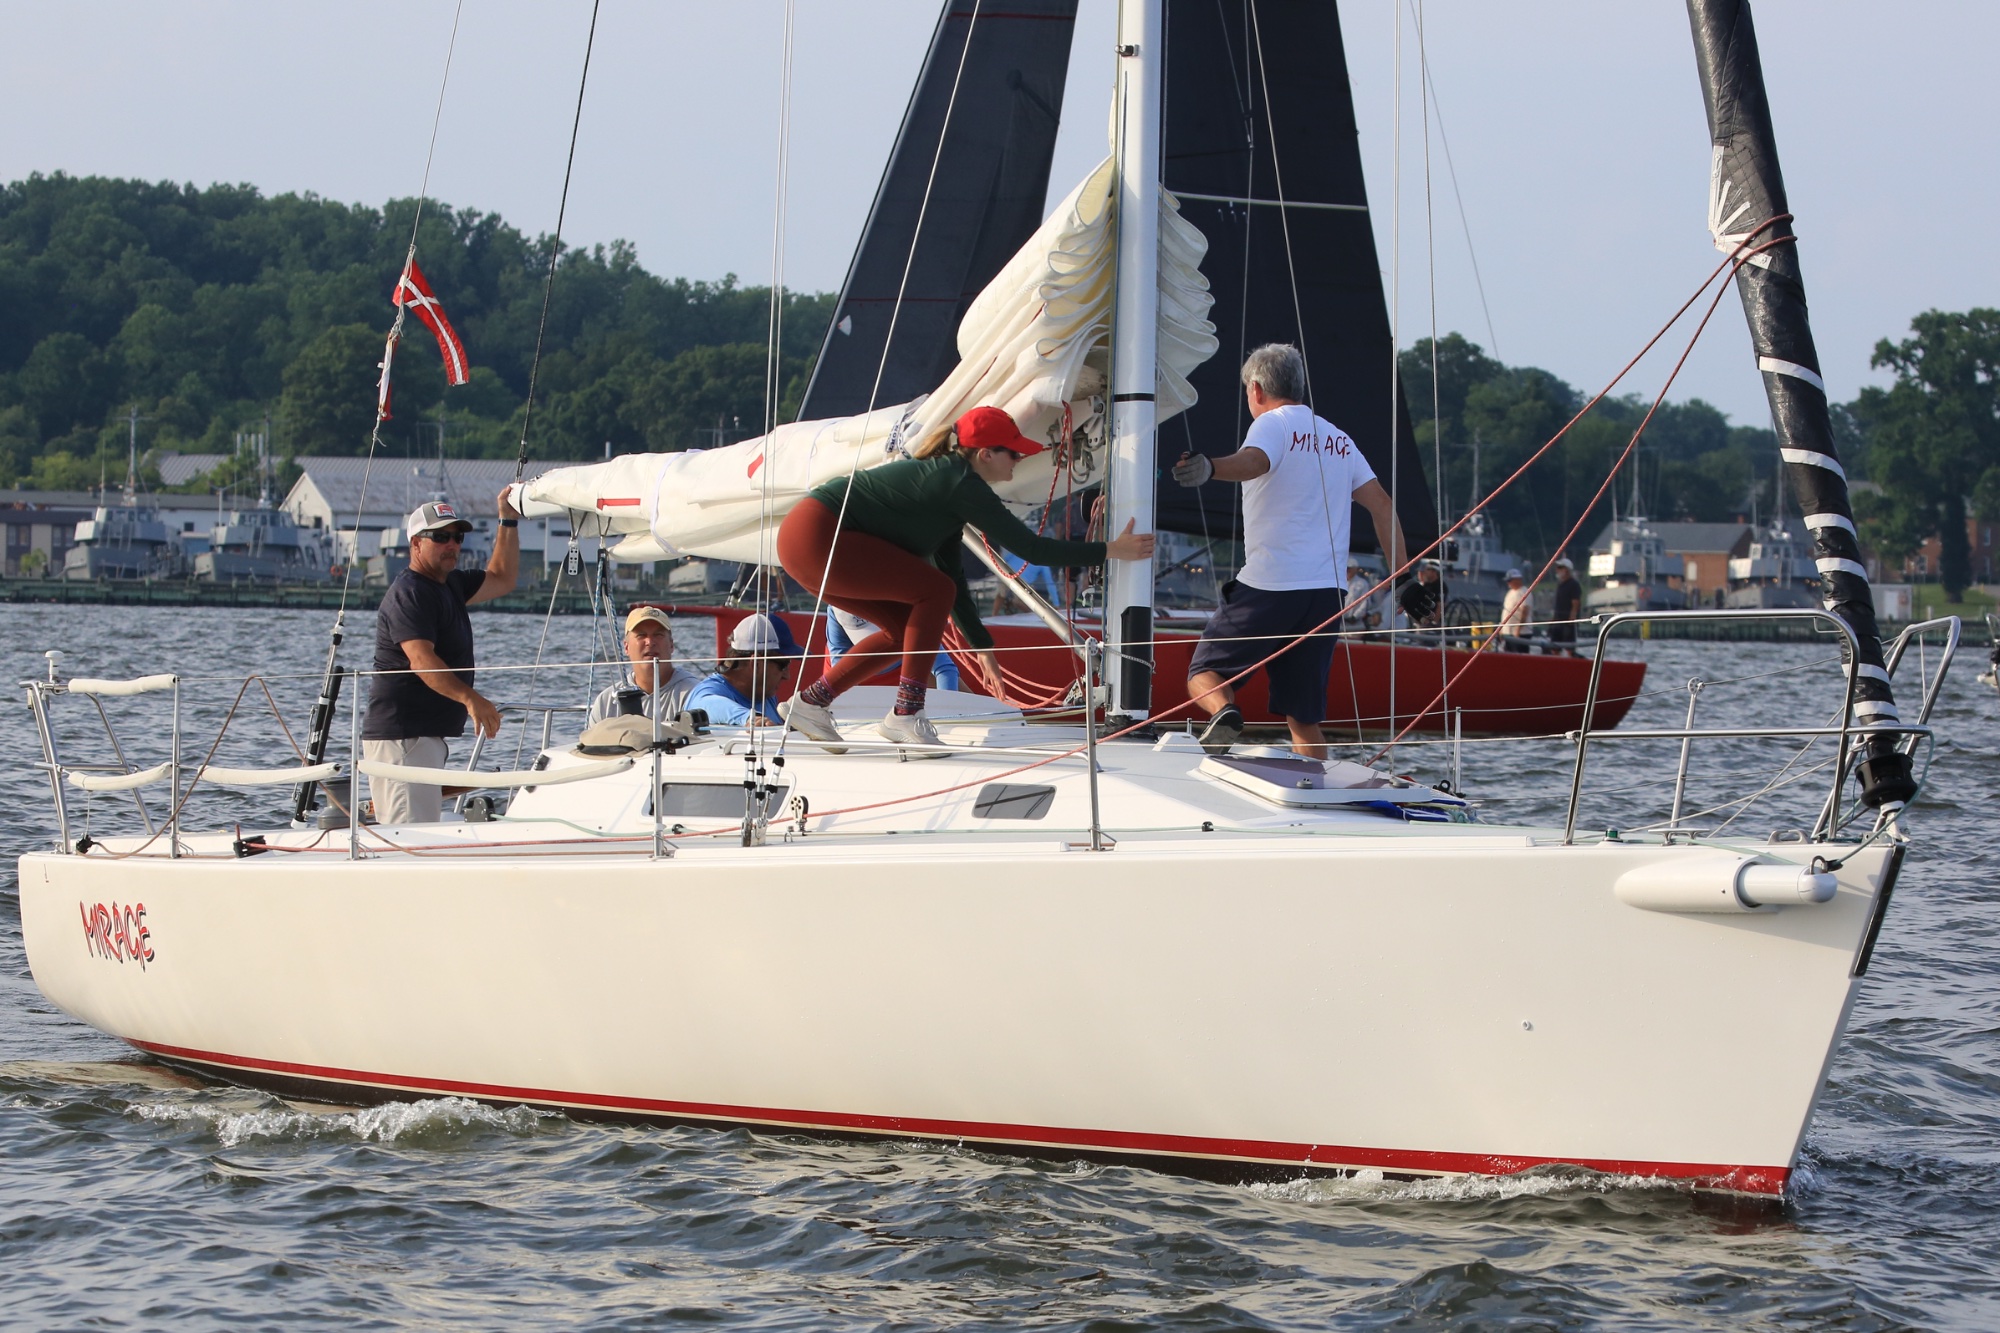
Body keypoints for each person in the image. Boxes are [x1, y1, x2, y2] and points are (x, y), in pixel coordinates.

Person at [775, 405, 1154, 753]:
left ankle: (810, 703)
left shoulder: (950, 487)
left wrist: (981, 645)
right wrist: (1110, 549)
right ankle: (906, 713)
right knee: (933, 592)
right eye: (1014, 453)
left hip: (802, 542)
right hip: (819, 534)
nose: (1019, 462)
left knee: (903, 629)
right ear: (985, 454)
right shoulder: (961, 484)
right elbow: (1031, 549)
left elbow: (951, 572)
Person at [1171, 343, 1427, 758]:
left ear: (1256, 390)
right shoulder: (1339, 439)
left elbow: (1254, 461)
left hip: (1270, 585)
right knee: (1304, 717)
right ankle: (1315, 795)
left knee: (1205, 672)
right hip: (1326, 596)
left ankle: (1225, 714)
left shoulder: (1272, 425)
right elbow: (1382, 505)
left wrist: (1210, 468)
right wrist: (1403, 579)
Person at [362, 495, 521, 823]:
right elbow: (421, 660)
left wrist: (507, 521)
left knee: (419, 834)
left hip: (423, 736)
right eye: (440, 537)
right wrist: (470, 699)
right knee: (409, 840)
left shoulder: (451, 584)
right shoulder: (410, 593)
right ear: (416, 544)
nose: (451, 545)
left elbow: (503, 578)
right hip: (403, 736)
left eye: (457, 537)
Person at [585, 605, 704, 725]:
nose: (650, 642)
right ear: (626, 647)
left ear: (671, 645)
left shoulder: (693, 695)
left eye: (658, 635)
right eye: (641, 635)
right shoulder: (606, 702)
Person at [684, 613, 803, 729]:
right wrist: (749, 718)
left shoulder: (764, 693)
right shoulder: (707, 692)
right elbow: (704, 705)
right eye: (783, 665)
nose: (787, 676)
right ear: (756, 663)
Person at [823, 608, 960, 692]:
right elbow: (839, 675)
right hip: (857, 667)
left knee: (961, 698)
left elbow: (944, 669)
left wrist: (947, 709)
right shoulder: (836, 611)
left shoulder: (908, 609)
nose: (878, 650)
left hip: (907, 661)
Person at [1549, 557, 1582, 656]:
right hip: (1558, 619)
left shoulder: (1574, 584)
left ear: (1566, 570)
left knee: (1569, 647)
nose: (1557, 570)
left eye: (1560, 568)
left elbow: (1575, 602)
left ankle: (1571, 660)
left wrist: (1572, 617)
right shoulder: (1560, 584)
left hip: (1568, 621)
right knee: (1554, 646)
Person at [1497, 568, 1533, 652]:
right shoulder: (1510, 593)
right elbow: (1505, 612)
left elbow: (1525, 612)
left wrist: (1518, 630)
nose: (1508, 583)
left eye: (1510, 580)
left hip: (1521, 633)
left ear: (1518, 580)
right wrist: (1501, 629)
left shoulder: (1524, 592)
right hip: (1508, 633)